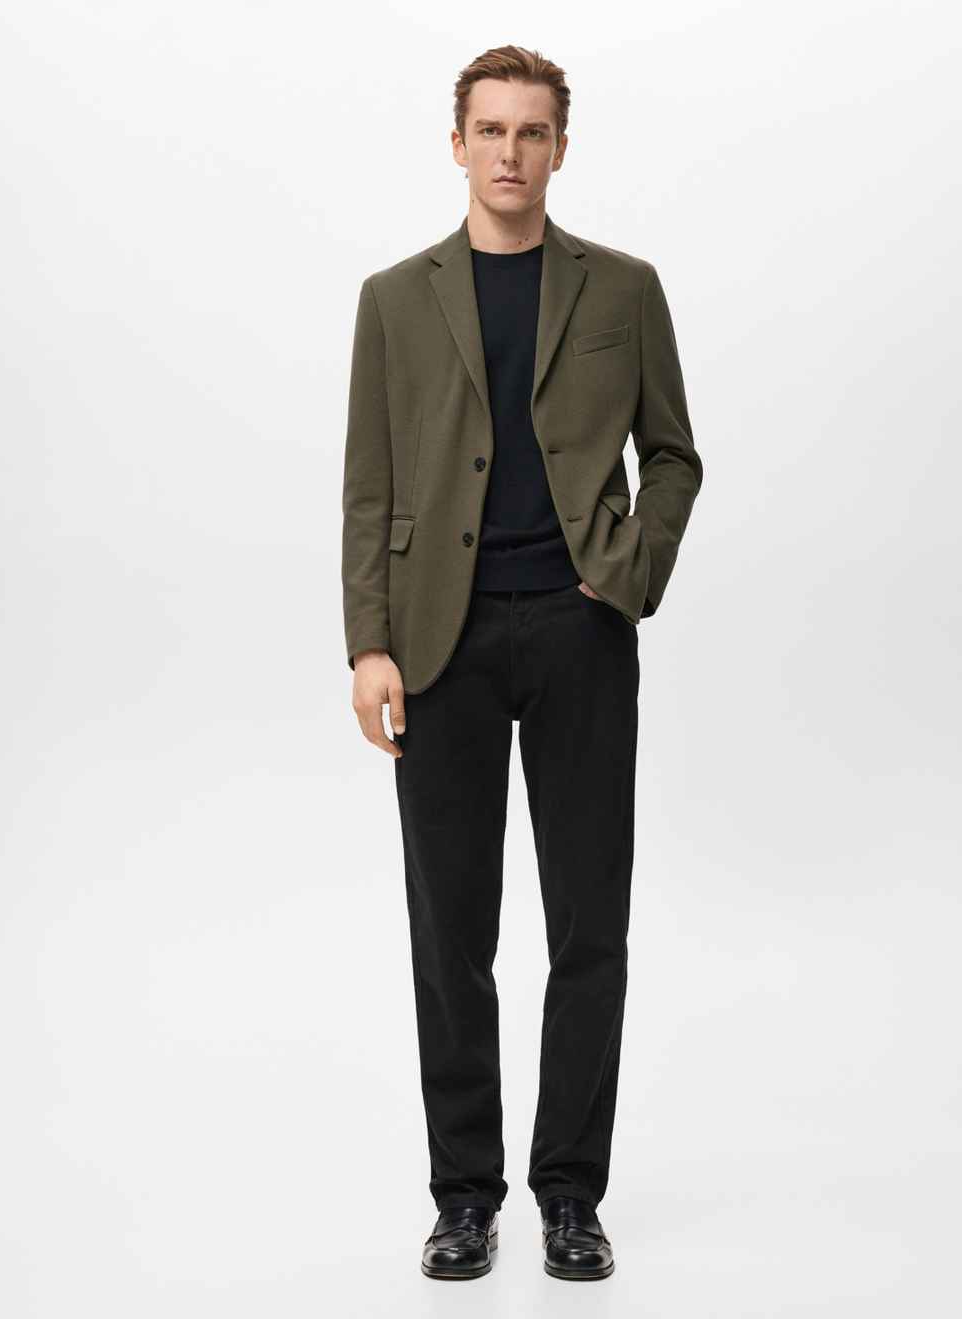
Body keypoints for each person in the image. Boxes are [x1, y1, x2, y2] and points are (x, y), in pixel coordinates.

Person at [341, 44, 704, 1281]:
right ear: (458, 145)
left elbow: (674, 454)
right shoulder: (394, 298)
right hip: (437, 641)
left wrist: (626, 568)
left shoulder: (624, 289)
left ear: (560, 147)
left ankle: (569, 1195)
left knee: (588, 925)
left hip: (579, 632)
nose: (510, 151)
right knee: (451, 934)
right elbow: (370, 482)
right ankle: (463, 1196)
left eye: (531, 131)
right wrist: (370, 643)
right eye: (489, 130)